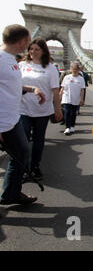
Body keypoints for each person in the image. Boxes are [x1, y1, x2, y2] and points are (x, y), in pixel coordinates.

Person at [0, 24, 45, 205]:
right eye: (27, 42)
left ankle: (11, 193)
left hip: (12, 119)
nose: (28, 46)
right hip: (2, 122)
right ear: (21, 41)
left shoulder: (11, 59)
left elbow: (10, 87)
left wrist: (31, 88)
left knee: (22, 153)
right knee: (21, 153)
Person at [19, 38, 62, 181]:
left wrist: (58, 109)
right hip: (23, 108)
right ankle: (24, 168)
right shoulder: (21, 65)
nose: (33, 52)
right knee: (23, 140)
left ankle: (35, 166)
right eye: (31, 48)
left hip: (42, 110)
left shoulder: (50, 68)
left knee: (38, 140)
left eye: (37, 49)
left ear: (43, 51)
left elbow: (55, 91)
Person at [60, 62, 85, 135]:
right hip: (67, 97)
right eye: (73, 69)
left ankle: (72, 126)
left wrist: (82, 99)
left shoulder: (81, 79)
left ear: (78, 70)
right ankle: (67, 127)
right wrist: (59, 97)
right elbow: (62, 88)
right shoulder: (66, 77)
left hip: (76, 98)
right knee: (67, 112)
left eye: (76, 69)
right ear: (70, 69)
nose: (74, 71)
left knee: (73, 113)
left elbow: (82, 90)